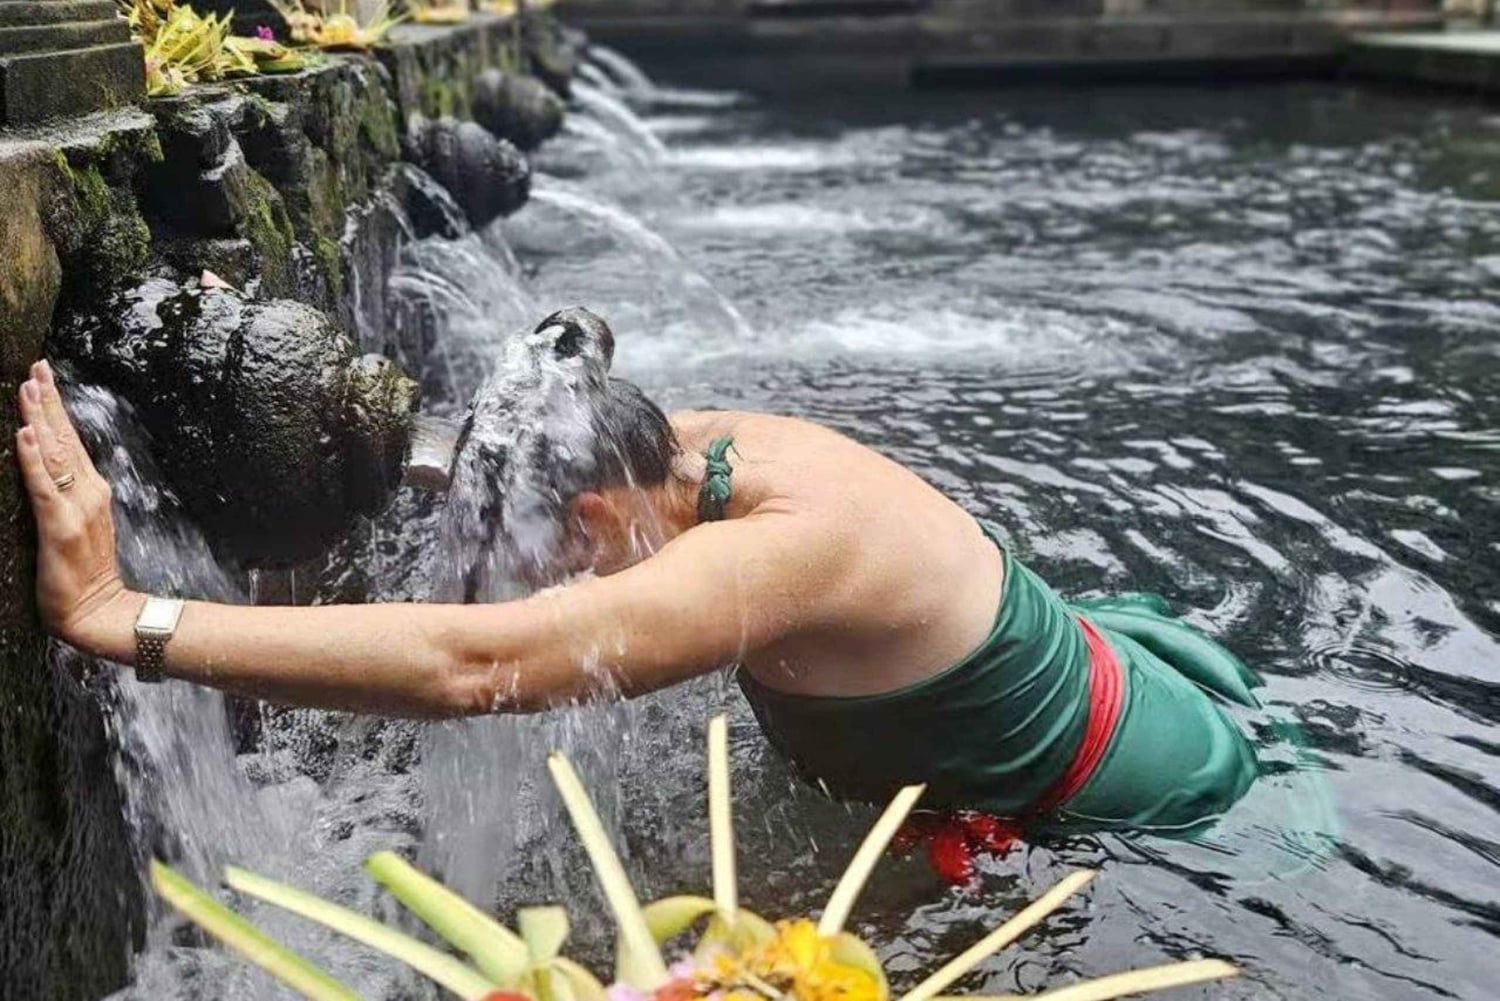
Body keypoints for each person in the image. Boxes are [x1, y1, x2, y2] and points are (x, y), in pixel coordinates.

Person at [15, 341, 1261, 840]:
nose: (530, 587)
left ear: (596, 520)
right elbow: (526, 434)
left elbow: (468, 663)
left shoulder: (768, 557)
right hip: (1076, 669)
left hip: (1131, 790)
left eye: (536, 557)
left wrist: (125, 614)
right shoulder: (688, 449)